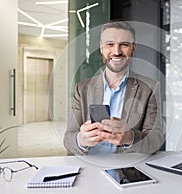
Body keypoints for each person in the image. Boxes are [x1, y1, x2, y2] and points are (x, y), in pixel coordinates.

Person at [64, 20, 164, 155]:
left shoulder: (150, 88)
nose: (116, 52)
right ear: (101, 48)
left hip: (128, 173)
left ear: (133, 48)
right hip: (90, 168)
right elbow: (68, 139)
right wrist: (81, 140)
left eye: (124, 45)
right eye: (110, 44)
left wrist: (130, 138)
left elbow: (156, 141)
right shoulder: (82, 89)